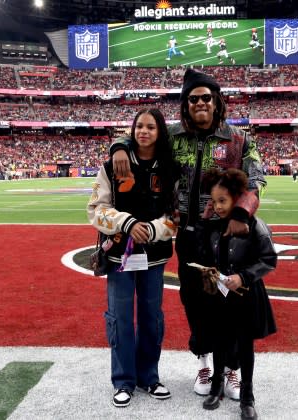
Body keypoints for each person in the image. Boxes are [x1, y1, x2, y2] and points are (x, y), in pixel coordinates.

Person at [110, 68, 266, 400]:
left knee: (229, 301)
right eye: (193, 98)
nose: (199, 103)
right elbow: (141, 135)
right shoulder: (173, 135)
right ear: (185, 103)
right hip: (187, 236)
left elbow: (256, 180)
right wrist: (119, 146)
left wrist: (242, 212)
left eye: (206, 97)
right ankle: (205, 363)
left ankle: (233, 369)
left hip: (225, 237)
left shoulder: (238, 140)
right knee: (194, 301)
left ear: (217, 101)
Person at [87, 108, 178, 408]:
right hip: (119, 258)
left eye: (151, 127)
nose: (144, 132)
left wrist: (153, 229)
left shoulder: (170, 167)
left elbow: (178, 213)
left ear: (159, 131)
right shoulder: (112, 165)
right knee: (121, 319)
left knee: (152, 318)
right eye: (139, 126)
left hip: (154, 256)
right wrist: (126, 223)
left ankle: (149, 377)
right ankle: (123, 380)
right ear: (132, 129)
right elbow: (96, 209)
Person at [197, 167, 277, 420]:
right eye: (214, 201)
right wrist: (203, 221)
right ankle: (216, 386)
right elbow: (204, 254)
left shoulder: (255, 224)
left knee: (245, 347)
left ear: (237, 198)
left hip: (246, 296)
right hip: (220, 296)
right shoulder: (213, 226)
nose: (218, 206)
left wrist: (242, 277)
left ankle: (247, 396)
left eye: (223, 200)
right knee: (219, 341)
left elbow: (269, 259)